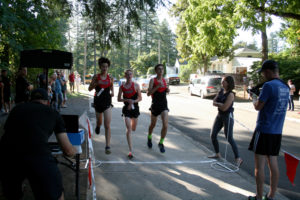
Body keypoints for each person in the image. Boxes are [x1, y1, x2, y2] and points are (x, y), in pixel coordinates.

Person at [0, 88, 76, 200]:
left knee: (11, 194)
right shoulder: (53, 113)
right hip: (38, 157)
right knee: (56, 195)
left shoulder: (16, 109)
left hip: (8, 157)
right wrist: (74, 151)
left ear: (30, 100)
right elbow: (68, 151)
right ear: (47, 101)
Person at [248, 60, 290, 200]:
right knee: (273, 162)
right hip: (277, 131)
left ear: (268, 71)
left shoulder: (268, 86)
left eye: (264, 73)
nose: (263, 76)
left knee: (259, 165)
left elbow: (258, 106)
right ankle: (271, 195)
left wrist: (253, 97)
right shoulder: (285, 86)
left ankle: (259, 197)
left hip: (264, 129)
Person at [208, 76, 243, 166]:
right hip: (219, 116)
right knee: (213, 134)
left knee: (229, 137)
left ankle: (238, 158)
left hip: (227, 117)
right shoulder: (221, 91)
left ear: (228, 83)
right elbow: (213, 102)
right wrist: (220, 104)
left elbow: (224, 108)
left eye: (223, 81)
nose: (221, 83)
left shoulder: (231, 94)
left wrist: (218, 104)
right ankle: (217, 153)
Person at [88, 57, 114, 154]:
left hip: (107, 101)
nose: (105, 68)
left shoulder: (110, 77)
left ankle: (107, 146)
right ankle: (98, 126)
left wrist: (113, 92)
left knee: (107, 124)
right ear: (100, 67)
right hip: (98, 102)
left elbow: (111, 85)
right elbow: (89, 89)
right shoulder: (96, 77)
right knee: (100, 122)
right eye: (103, 66)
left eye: (106, 67)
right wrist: (96, 83)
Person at [117, 69, 142, 159]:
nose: (129, 76)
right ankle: (130, 150)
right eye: (127, 74)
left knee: (133, 128)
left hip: (135, 109)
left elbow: (140, 98)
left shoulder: (136, 85)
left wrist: (133, 101)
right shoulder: (122, 86)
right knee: (129, 129)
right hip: (126, 109)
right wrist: (127, 100)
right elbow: (118, 99)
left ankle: (130, 148)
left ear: (132, 75)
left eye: (130, 74)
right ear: (125, 76)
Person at [147, 64, 170, 153]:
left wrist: (167, 90)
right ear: (156, 71)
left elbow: (165, 90)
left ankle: (161, 143)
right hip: (155, 105)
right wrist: (157, 87)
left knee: (165, 125)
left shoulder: (165, 80)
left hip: (164, 105)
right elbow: (149, 93)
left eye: (162, 69)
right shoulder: (153, 80)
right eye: (159, 69)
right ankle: (149, 137)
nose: (161, 71)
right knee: (153, 125)